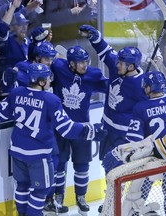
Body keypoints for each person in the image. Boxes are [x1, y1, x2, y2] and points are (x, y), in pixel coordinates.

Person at [0, 63, 106, 216]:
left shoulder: (16, 93)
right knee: (40, 191)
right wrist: (91, 131)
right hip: (39, 156)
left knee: (22, 186)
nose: (50, 80)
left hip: (17, 151)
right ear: (40, 81)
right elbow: (67, 129)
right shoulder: (51, 100)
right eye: (47, 78)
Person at [43, 45, 108, 214]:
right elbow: (44, 61)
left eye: (86, 61)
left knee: (82, 164)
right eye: (80, 63)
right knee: (59, 164)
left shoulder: (92, 74)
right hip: (60, 128)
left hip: (82, 128)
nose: (84, 65)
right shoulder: (58, 67)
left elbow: (110, 87)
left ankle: (81, 197)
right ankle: (59, 196)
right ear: (71, 63)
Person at [79, 24, 148, 161]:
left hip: (125, 135)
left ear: (131, 66)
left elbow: (146, 111)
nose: (117, 65)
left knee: (124, 170)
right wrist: (95, 36)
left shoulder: (141, 85)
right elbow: (105, 51)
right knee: (106, 165)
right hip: (107, 129)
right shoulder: (118, 66)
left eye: (121, 63)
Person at [124, 71, 166, 215]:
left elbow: (134, 140)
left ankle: (135, 212)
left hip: (151, 159)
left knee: (138, 193)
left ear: (149, 88)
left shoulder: (140, 107)